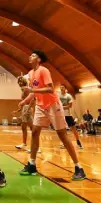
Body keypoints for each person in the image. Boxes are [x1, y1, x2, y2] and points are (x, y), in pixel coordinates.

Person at [19, 50, 86, 180]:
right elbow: (34, 93)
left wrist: (31, 89)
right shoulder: (31, 73)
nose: (30, 56)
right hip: (40, 105)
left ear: (38, 59)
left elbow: (50, 88)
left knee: (62, 134)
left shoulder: (44, 71)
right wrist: (24, 101)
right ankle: (32, 164)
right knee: (35, 132)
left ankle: (79, 167)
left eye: (33, 55)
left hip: (52, 105)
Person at [14, 76, 36, 152]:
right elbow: (24, 101)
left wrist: (28, 109)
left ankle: (36, 147)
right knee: (23, 127)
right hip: (25, 109)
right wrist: (19, 110)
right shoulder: (24, 89)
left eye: (20, 81)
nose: (19, 83)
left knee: (32, 128)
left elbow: (32, 100)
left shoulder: (27, 89)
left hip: (27, 109)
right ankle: (24, 143)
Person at [58, 84, 83, 149]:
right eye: (60, 88)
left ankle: (78, 141)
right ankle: (65, 143)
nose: (61, 89)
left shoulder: (68, 96)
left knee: (73, 128)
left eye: (62, 87)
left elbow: (70, 106)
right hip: (61, 115)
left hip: (68, 115)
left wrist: (61, 107)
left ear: (65, 88)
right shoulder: (58, 96)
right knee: (63, 130)